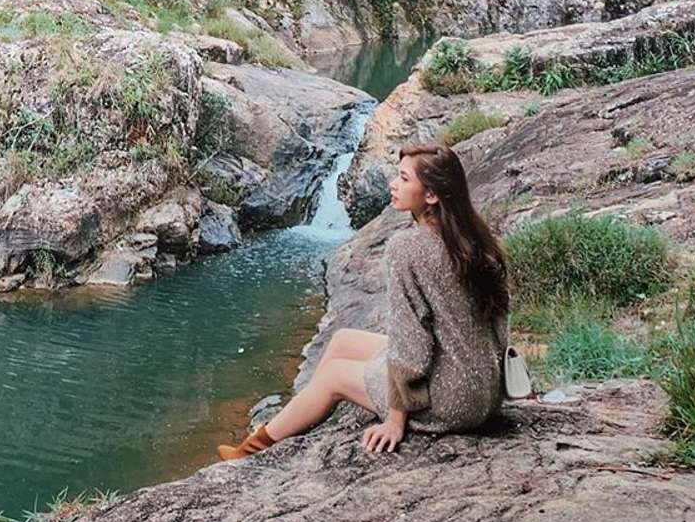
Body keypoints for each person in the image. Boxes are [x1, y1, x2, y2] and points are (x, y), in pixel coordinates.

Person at [216, 141, 510, 461]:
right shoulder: (476, 241)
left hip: (450, 401)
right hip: (485, 394)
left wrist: (395, 420)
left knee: (334, 376)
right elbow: (499, 325)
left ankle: (250, 452)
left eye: (403, 179)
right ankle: (292, 420)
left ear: (431, 196)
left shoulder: (408, 248)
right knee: (342, 341)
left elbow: (410, 342)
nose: (392, 184)